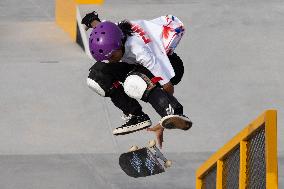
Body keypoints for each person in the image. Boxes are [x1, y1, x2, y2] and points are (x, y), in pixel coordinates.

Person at [82, 11, 192, 148]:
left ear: (119, 43)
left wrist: (164, 122)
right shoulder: (113, 31)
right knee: (98, 76)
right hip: (137, 64)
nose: (110, 60)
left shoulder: (140, 50)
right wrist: (91, 19)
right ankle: (135, 115)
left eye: (112, 55)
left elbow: (168, 87)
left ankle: (175, 113)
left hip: (171, 67)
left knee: (135, 82)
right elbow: (101, 27)